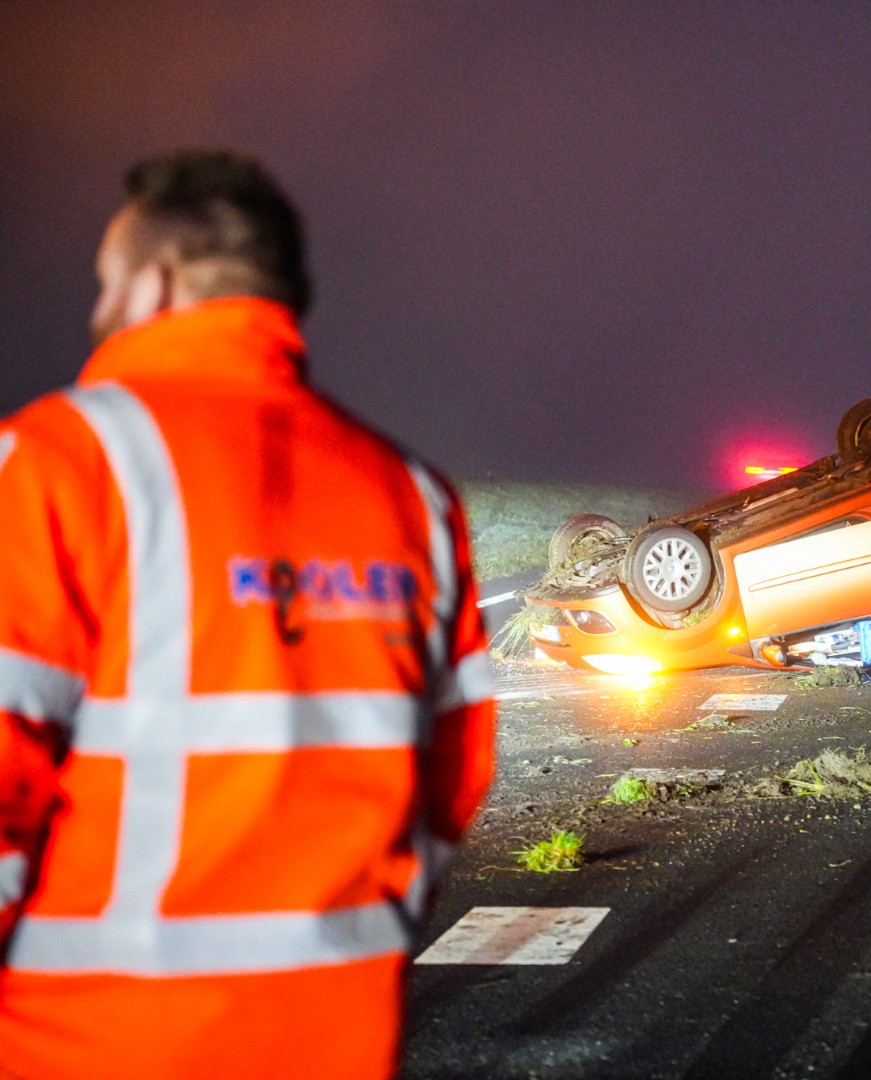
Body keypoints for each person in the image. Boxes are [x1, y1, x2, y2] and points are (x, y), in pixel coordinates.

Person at [0, 149, 495, 1079]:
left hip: (85, 1045)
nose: (95, 313)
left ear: (156, 281)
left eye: (104, 285)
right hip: (336, 1040)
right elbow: (454, 776)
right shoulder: (411, 497)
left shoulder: (58, 463)